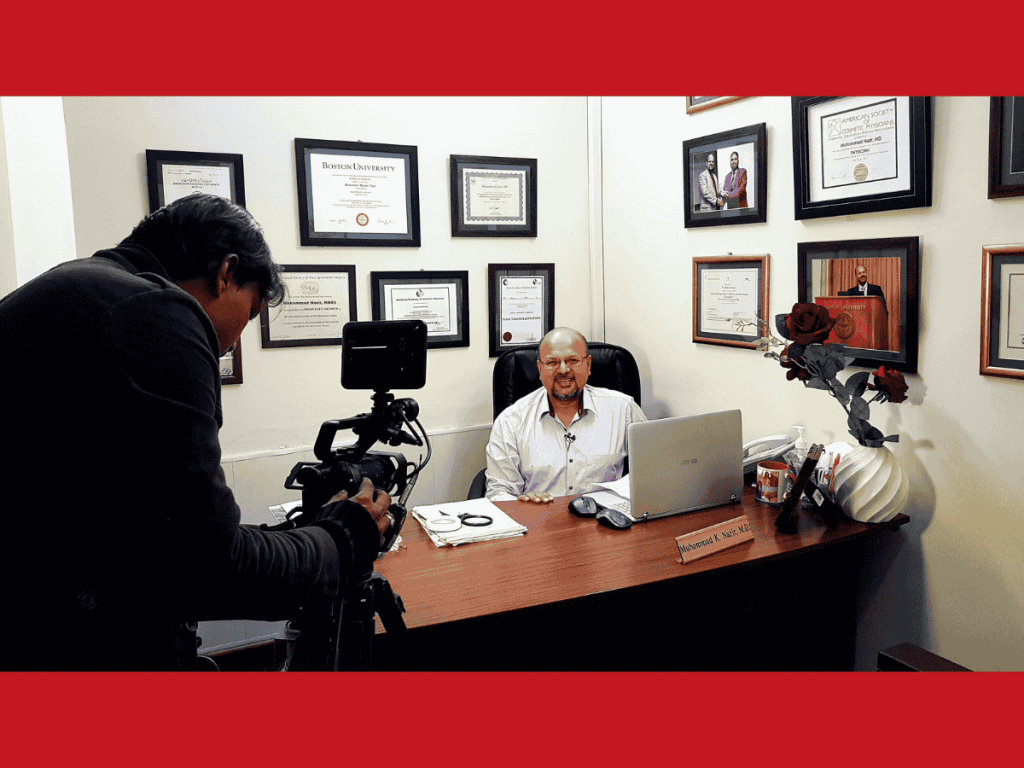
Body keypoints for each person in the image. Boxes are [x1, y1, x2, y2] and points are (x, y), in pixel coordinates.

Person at [0, 193, 394, 671]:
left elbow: (145, 531)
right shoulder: (154, 309)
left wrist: (292, 538)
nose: (230, 344)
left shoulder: (67, 293)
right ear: (226, 273)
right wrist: (343, 539)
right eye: (247, 316)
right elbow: (207, 568)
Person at [484, 327, 647, 503]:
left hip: (606, 520)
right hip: (541, 523)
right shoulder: (511, 421)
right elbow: (498, 494)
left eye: (572, 360)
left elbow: (654, 469)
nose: (563, 370)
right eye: (552, 362)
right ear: (540, 368)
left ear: (588, 365)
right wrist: (523, 505)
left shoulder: (623, 409)